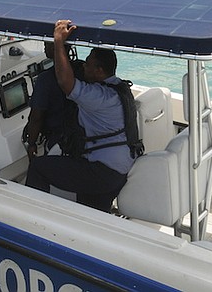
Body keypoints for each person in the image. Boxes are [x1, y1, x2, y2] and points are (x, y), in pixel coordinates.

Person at [25, 20, 138, 213]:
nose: (83, 66)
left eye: (88, 64)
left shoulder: (99, 97)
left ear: (100, 71)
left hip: (102, 171)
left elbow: (65, 83)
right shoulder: (119, 87)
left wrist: (59, 41)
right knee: (92, 212)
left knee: (38, 167)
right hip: (120, 166)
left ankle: (32, 217)